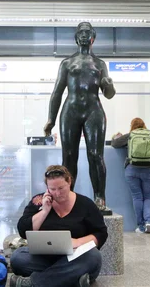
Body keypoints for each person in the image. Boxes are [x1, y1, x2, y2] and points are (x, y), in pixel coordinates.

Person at [44, 22, 116, 213]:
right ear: (76, 37)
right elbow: (57, 92)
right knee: (69, 157)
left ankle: (100, 197)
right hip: (71, 110)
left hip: (94, 110)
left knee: (96, 155)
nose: (84, 35)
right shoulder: (67, 63)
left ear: (93, 37)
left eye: (88, 32)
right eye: (81, 33)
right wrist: (51, 118)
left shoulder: (100, 64)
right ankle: (67, 198)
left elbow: (108, 94)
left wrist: (109, 84)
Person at [10, 165, 107, 287]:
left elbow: (101, 233)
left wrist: (77, 242)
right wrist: (44, 211)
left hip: (75, 258)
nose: (57, 193)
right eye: (52, 189)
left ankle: (32, 283)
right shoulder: (38, 201)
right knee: (18, 258)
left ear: (69, 182)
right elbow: (23, 231)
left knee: (93, 256)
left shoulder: (86, 204)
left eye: (61, 188)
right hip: (46, 258)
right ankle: (71, 280)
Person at [111, 118, 150, 233]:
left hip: (132, 169)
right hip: (148, 169)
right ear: (144, 125)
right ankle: (149, 221)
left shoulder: (130, 135)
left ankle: (141, 226)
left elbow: (115, 144)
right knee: (147, 197)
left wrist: (117, 136)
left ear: (132, 125)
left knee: (137, 197)